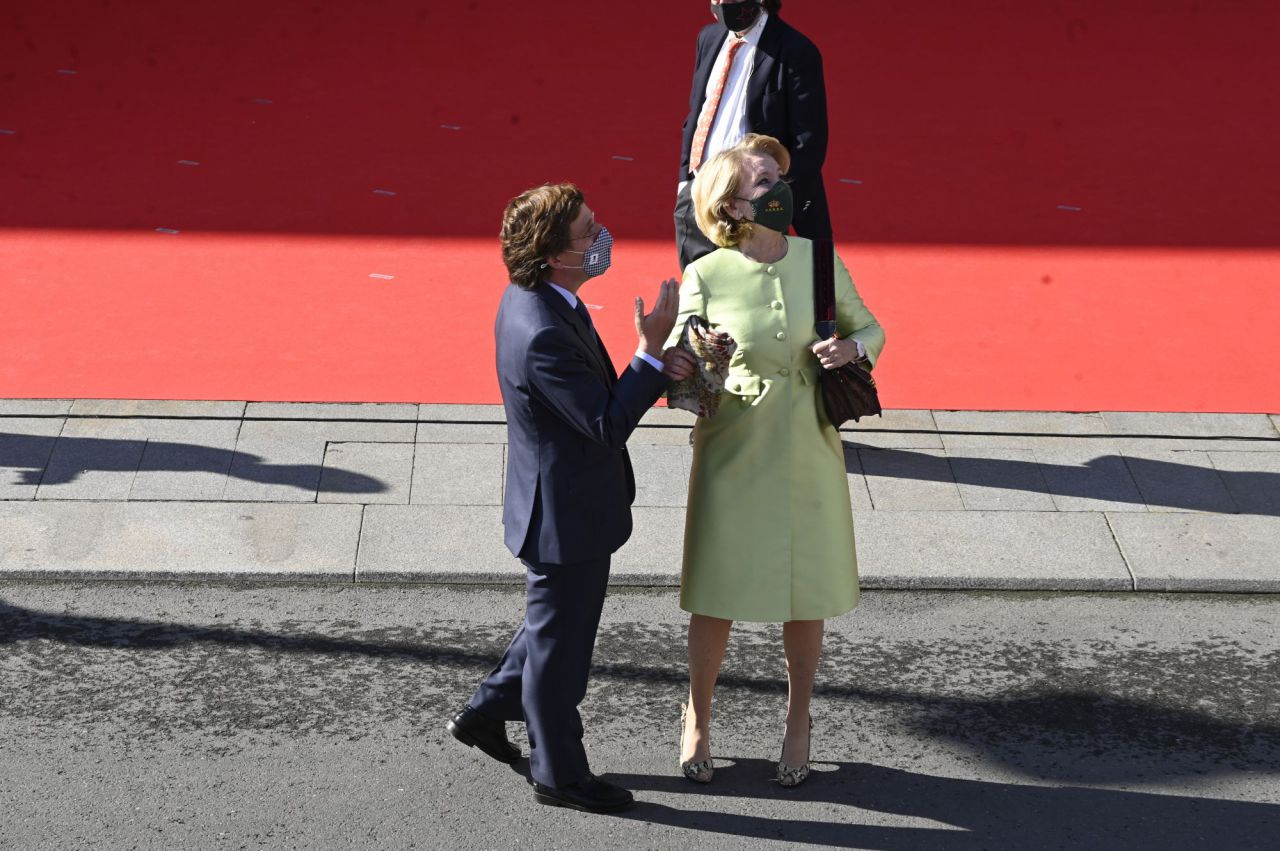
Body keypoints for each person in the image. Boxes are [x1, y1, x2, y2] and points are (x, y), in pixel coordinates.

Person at [446, 183, 696, 813]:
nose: (599, 238)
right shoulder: (542, 332)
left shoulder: (537, 299)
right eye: (588, 233)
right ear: (555, 253)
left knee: (549, 631)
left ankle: (484, 713)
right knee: (561, 657)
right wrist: (648, 351)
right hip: (565, 518)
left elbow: (588, 402)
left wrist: (653, 366)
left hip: (561, 505)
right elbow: (605, 424)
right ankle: (558, 775)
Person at [668, 134, 884, 787]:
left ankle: (798, 721)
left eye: (775, 178)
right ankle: (698, 717)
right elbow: (683, 374)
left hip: (808, 451)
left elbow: (871, 327)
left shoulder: (818, 260)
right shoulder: (706, 272)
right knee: (716, 592)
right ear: (730, 205)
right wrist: (695, 355)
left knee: (804, 591)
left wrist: (851, 349)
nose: (777, 189)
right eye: (762, 182)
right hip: (733, 447)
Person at [675, 0, 831, 270]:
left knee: (751, 295)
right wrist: (685, 182)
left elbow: (809, 143)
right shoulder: (709, 38)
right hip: (701, 192)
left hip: (752, 203)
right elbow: (697, 116)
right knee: (699, 292)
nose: (721, 5)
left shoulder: (795, 51)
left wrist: (771, 201)